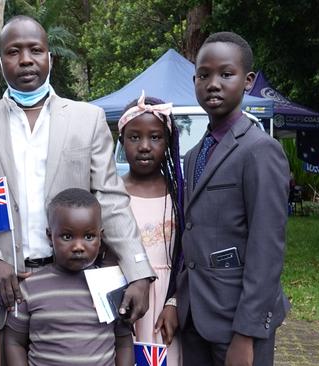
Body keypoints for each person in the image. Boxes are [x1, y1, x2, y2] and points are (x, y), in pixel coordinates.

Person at [0, 15, 155, 327]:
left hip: (76, 284)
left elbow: (111, 201)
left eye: (35, 50)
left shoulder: (88, 119)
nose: (26, 60)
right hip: (5, 290)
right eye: (14, 51)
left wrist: (138, 271)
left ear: (50, 57)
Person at [177, 32, 290, 366]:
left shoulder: (260, 150)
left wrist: (247, 333)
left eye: (226, 74)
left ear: (248, 81)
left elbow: (267, 248)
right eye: (204, 75)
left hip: (237, 323)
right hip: (195, 316)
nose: (213, 83)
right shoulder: (194, 155)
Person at [4, 188, 134, 366]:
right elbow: (14, 342)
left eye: (89, 236)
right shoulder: (30, 288)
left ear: (100, 237)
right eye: (67, 236)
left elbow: (124, 343)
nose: (78, 246)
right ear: (50, 237)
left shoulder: (111, 286)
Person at [117, 91, 183, 365]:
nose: (145, 146)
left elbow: (187, 257)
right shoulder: (112, 194)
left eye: (155, 137)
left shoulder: (180, 195)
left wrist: (174, 303)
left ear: (167, 142)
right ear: (121, 141)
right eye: (135, 137)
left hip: (168, 303)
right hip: (126, 297)